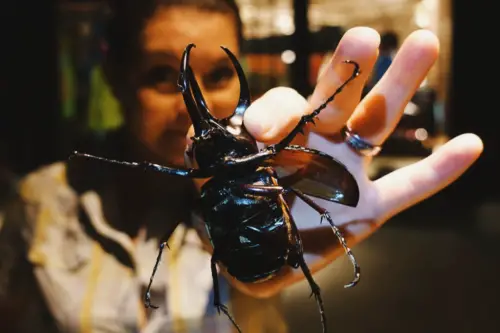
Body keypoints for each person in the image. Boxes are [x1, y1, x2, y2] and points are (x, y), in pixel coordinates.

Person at [0, 0, 483, 332]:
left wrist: (305, 171)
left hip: (262, 228)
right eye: (159, 75)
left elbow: (252, 289)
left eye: (220, 74)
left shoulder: (266, 169)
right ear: (117, 81)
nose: (193, 106)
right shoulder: (38, 206)